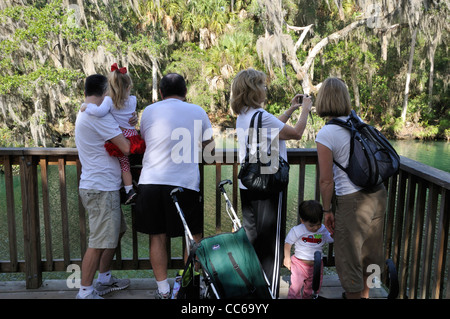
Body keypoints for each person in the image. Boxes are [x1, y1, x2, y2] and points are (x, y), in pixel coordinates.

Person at [231, 68, 312, 297]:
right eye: (263, 85)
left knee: (253, 240)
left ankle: (253, 291)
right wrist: (305, 109)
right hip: (268, 186)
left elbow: (274, 128)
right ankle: (269, 294)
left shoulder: (245, 115)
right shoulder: (261, 116)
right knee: (271, 247)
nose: (266, 89)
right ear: (254, 89)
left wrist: (291, 109)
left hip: (248, 185)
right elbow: (295, 133)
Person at [135, 73, 214, 299]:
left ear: (161, 93)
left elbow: (145, 140)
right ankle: (191, 284)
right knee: (193, 236)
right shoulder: (198, 111)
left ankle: (163, 290)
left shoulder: (149, 111)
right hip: (185, 183)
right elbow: (210, 152)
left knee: (156, 236)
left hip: (150, 182)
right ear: (185, 92)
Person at [315, 77, 387, 299]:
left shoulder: (327, 133)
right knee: (369, 254)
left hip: (352, 200)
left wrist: (327, 211)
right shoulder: (358, 122)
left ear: (323, 100)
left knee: (348, 258)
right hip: (378, 195)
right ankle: (364, 296)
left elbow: (326, 181)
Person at [75, 74, 134, 299]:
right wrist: (130, 130)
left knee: (115, 232)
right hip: (101, 188)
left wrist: (127, 121)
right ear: (106, 91)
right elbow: (126, 148)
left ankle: (105, 279)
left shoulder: (86, 111)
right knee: (99, 241)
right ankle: (85, 292)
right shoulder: (98, 117)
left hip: (101, 185)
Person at [80, 63, 145, 205]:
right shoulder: (132, 100)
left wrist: (87, 106)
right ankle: (133, 188)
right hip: (132, 136)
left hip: (103, 184)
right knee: (131, 163)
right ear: (128, 87)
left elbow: (100, 111)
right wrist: (132, 119)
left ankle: (129, 190)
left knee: (124, 164)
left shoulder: (108, 103)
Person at [283, 200, 334, 299]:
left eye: (318, 224)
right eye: (311, 225)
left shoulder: (323, 230)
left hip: (316, 265)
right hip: (299, 265)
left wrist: (334, 233)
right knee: (295, 288)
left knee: (311, 289)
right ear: (302, 221)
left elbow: (329, 239)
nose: (315, 228)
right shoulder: (297, 230)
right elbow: (288, 243)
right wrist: (287, 258)